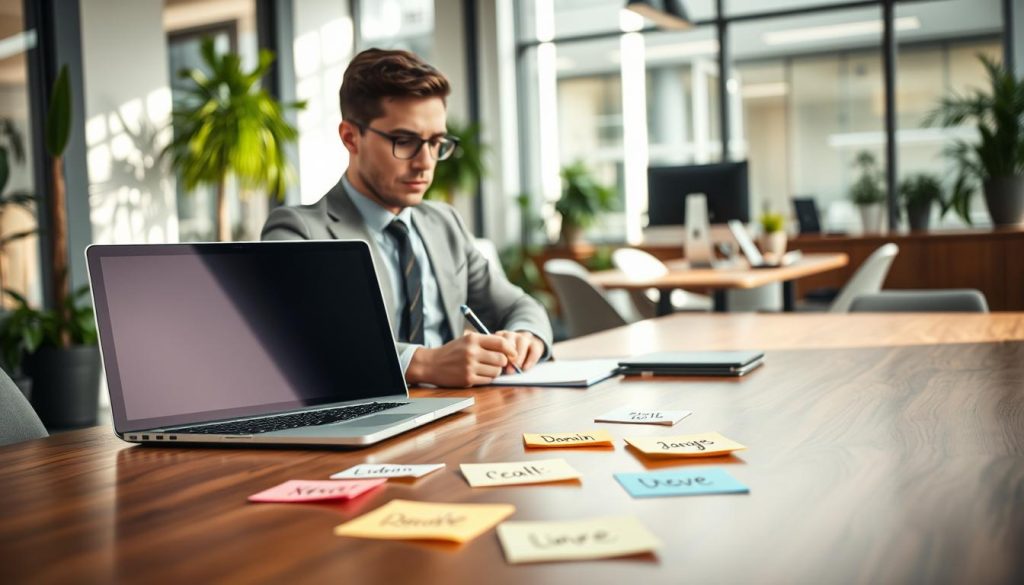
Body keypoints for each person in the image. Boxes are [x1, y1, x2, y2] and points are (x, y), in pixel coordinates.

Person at [261, 48, 552, 388]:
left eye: (436, 142)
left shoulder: (445, 224)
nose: (425, 162)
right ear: (350, 137)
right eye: (405, 141)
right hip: (365, 426)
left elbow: (518, 304)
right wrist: (422, 364)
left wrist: (525, 337)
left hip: (461, 417)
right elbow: (301, 345)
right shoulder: (300, 232)